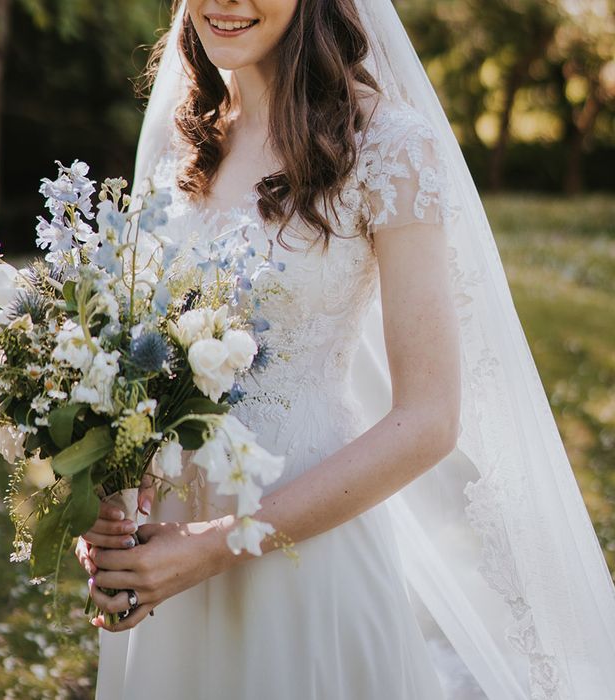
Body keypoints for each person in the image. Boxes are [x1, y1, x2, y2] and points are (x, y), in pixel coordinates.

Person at [76, 2, 615, 699]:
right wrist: (111, 516)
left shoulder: (386, 145)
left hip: (301, 546)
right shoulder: (190, 137)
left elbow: (429, 420)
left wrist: (216, 544)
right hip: (166, 552)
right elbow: (141, 363)